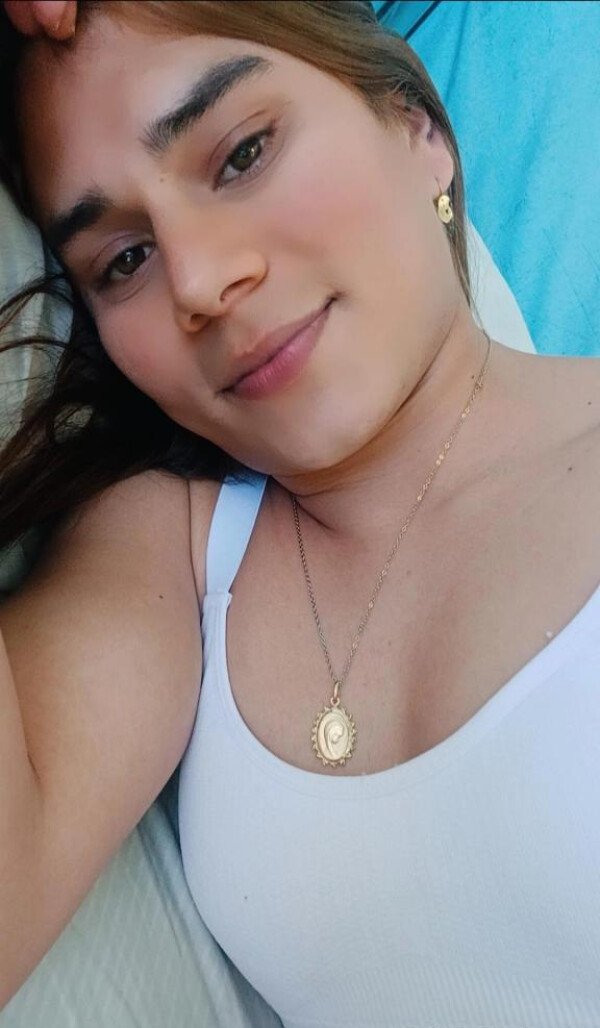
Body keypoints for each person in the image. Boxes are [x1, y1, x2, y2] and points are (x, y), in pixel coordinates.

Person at [1, 1, 599, 1025]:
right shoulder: (175, 549)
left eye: (243, 154)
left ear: (417, 128)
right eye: (124, 261)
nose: (200, 280)